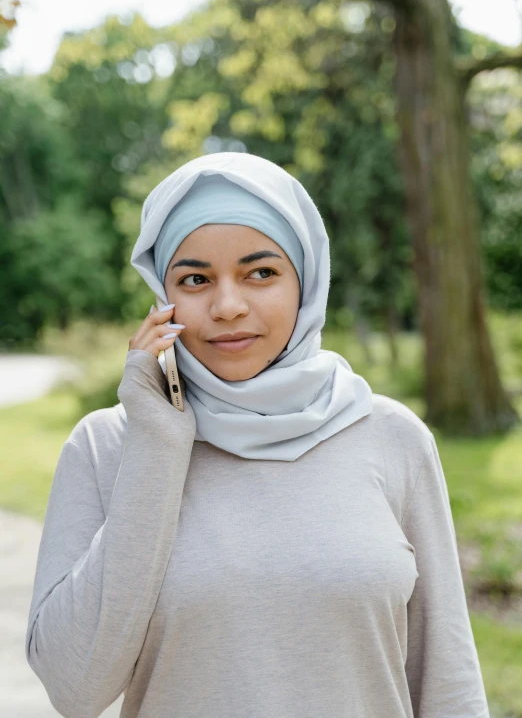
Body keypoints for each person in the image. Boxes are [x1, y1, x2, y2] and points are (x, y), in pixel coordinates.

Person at [25, 151, 490, 718]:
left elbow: (447, 683)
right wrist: (155, 446)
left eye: (261, 272)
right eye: (195, 279)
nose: (227, 306)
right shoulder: (107, 446)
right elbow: (74, 692)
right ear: (161, 295)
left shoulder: (392, 438)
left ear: (306, 280)